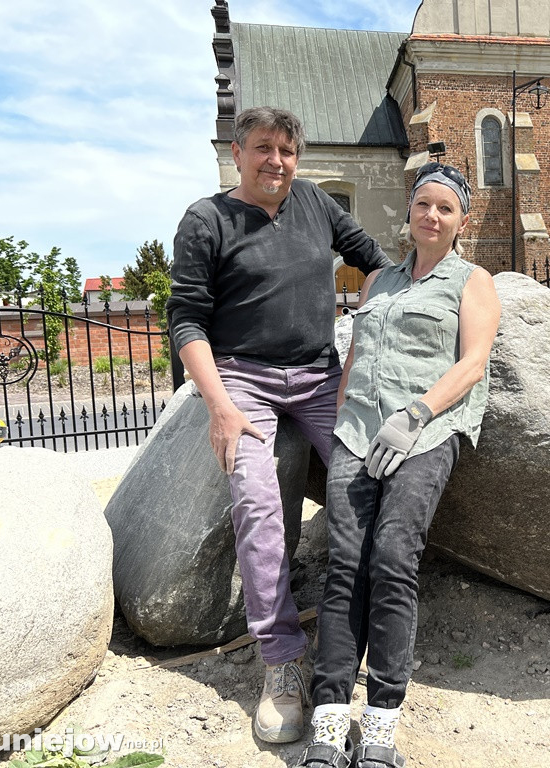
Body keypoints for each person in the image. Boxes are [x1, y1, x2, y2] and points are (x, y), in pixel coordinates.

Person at [166, 106, 392, 745]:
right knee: (260, 503)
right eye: (262, 148)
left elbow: (375, 264)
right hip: (242, 377)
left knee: (367, 480)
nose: (276, 161)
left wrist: (361, 345)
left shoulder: (318, 203)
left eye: (287, 150)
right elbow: (186, 318)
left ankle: (371, 635)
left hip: (321, 375)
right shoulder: (207, 219)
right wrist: (219, 405)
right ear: (238, 154)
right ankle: (282, 661)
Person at [295, 162, 500, 768]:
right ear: (409, 213)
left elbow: (473, 363)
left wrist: (415, 415)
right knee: (344, 567)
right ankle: (330, 720)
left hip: (426, 431)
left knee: (391, 559)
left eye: (445, 208)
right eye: (423, 206)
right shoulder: (378, 280)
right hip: (358, 434)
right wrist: (340, 427)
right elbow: (355, 354)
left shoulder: (472, 281)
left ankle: (381, 719)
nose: (432, 216)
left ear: (462, 219)